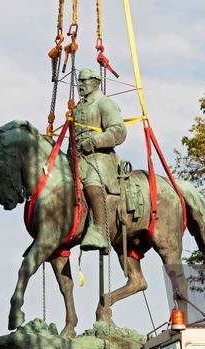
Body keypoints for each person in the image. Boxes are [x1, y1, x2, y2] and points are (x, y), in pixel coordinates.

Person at [73, 68, 127, 252]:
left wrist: (95, 141)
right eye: (78, 81)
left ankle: (99, 230)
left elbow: (119, 131)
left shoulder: (105, 103)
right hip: (78, 157)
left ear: (96, 82)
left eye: (83, 81)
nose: (79, 84)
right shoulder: (78, 108)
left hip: (101, 157)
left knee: (91, 181)